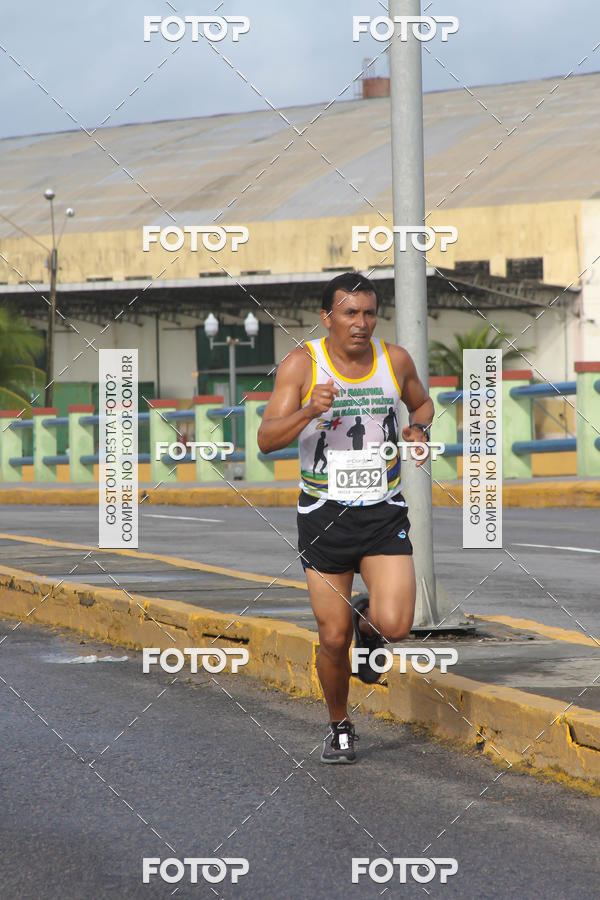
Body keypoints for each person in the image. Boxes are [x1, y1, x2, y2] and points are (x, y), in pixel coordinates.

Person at [257, 272, 433, 764]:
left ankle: (368, 621)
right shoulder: (302, 364)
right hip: (323, 514)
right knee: (333, 638)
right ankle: (339, 725)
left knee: (397, 625)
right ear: (327, 317)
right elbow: (267, 439)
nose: (361, 323)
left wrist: (417, 427)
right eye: (350, 313)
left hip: (382, 510)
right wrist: (309, 410)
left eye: (369, 313)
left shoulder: (393, 360)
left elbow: (421, 402)